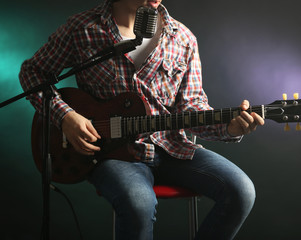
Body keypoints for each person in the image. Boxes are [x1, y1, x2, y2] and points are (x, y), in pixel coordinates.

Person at [19, 0, 265, 239]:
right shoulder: (82, 28)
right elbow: (33, 72)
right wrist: (65, 117)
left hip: (171, 148)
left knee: (241, 191)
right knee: (139, 203)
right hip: (111, 153)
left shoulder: (183, 38)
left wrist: (229, 127)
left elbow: (192, 108)